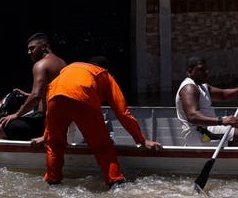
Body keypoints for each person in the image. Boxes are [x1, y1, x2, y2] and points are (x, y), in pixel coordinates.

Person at [30, 60, 162, 187]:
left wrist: (46, 136)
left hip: (54, 97)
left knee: (54, 145)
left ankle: (53, 183)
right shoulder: (106, 76)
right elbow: (122, 113)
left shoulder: (71, 69)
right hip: (82, 97)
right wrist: (142, 140)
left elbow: (54, 108)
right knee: (102, 146)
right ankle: (115, 183)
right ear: (107, 70)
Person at [0, 32, 67, 140]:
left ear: (44, 47)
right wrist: (28, 95)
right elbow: (49, 92)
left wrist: (17, 115)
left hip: (47, 122)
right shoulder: (61, 62)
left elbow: (36, 96)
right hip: (60, 119)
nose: (29, 52)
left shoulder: (40, 65)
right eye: (28, 49)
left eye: (32, 48)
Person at [175, 57, 238, 146]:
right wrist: (221, 121)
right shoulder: (189, 88)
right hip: (199, 134)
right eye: (201, 69)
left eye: (206, 69)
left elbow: (223, 95)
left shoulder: (202, 86)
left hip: (208, 128)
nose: (206, 72)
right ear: (190, 71)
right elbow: (193, 116)